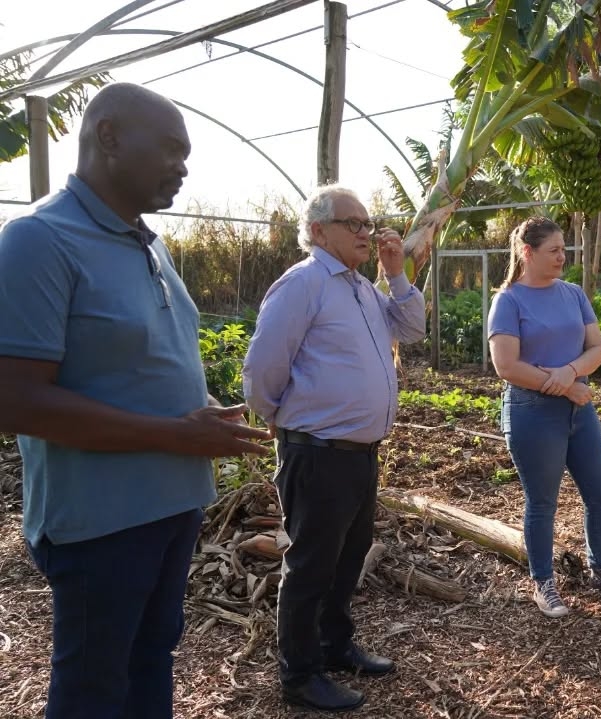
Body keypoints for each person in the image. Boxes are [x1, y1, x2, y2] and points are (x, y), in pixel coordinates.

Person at [0, 82, 271, 719]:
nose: (183, 167)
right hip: (102, 521)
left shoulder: (149, 243)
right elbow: (15, 400)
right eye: (172, 149)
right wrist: (178, 435)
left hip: (173, 503)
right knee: (94, 686)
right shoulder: (40, 240)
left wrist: (200, 410)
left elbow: (138, 362)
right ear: (110, 137)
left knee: (151, 659)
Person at [242, 184, 425, 711]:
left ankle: (334, 645)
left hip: (358, 454)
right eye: (354, 223)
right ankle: (299, 676)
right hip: (318, 452)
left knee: (347, 558)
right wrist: (284, 420)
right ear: (319, 230)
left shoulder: (362, 287)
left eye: (368, 222)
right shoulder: (303, 285)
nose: (366, 232)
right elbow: (262, 369)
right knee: (311, 567)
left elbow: (411, 328)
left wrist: (396, 273)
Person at [488, 216, 601, 619]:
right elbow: (506, 366)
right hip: (532, 413)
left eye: (564, 249)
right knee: (542, 501)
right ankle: (543, 582)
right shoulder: (508, 300)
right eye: (554, 250)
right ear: (528, 252)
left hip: (579, 409)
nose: (563, 257)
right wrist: (564, 385)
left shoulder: (573, 294)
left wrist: (570, 373)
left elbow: (597, 349)